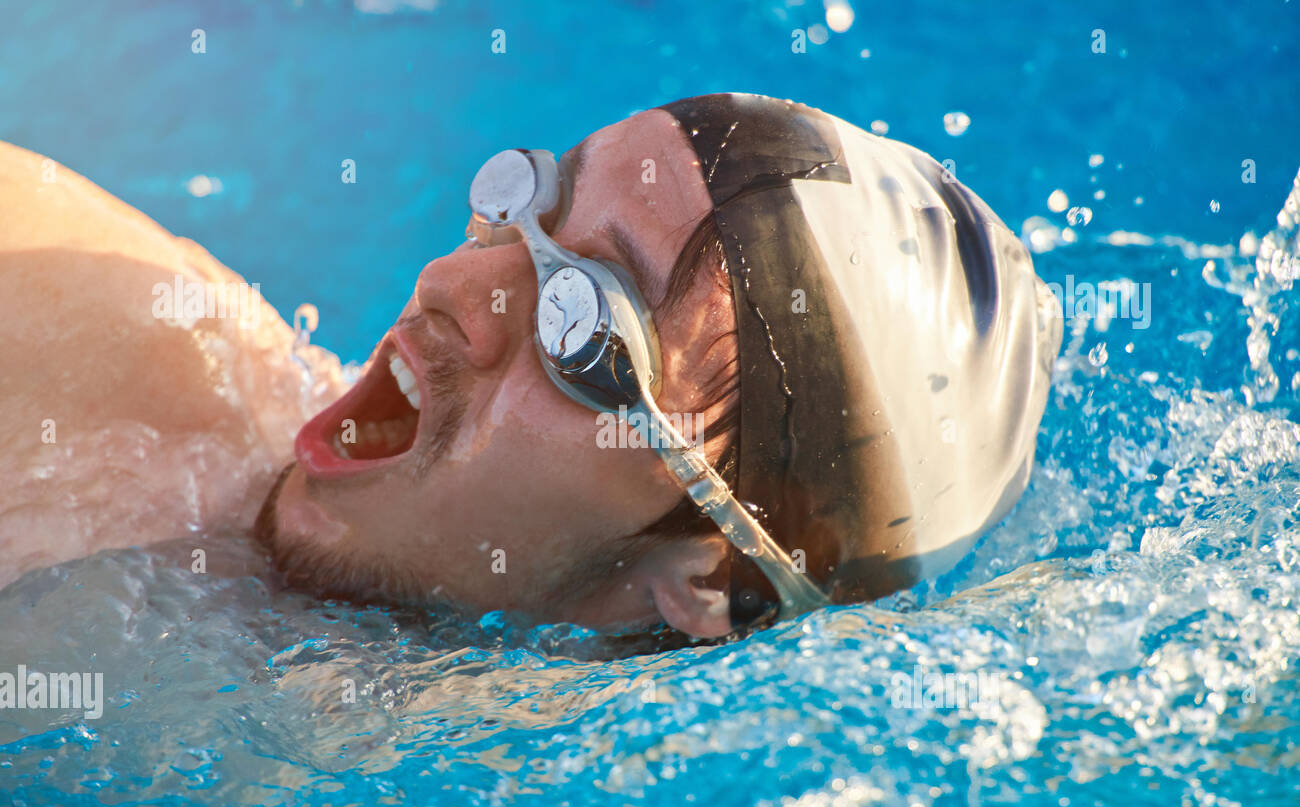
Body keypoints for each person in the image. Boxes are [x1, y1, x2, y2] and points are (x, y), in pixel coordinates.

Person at [0, 93, 1063, 640]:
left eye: (581, 329)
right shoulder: (77, 324)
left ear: (709, 576)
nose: (449, 287)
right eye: (530, 206)